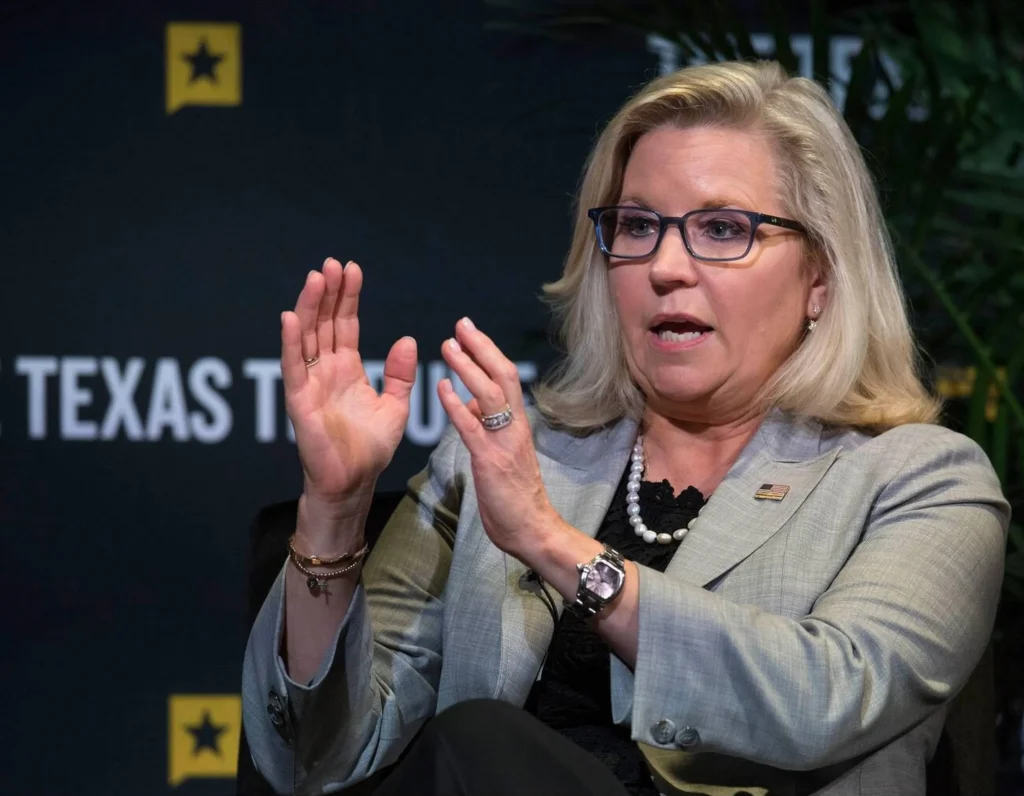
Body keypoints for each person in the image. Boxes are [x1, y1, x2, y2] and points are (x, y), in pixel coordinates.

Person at [241, 59, 1009, 796]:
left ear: (820, 277)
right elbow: (318, 758)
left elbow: (826, 697)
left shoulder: (923, 479)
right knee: (474, 747)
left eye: (722, 229)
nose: (667, 265)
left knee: (479, 738)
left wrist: (552, 542)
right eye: (638, 225)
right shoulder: (507, 456)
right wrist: (335, 510)